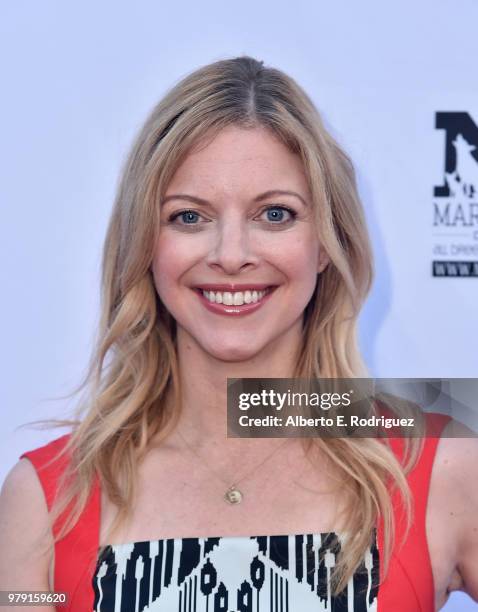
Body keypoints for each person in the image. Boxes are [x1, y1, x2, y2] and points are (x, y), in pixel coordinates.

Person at [0, 56, 477, 612]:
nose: (231, 256)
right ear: (145, 246)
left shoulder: (440, 464)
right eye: (189, 217)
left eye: (274, 215)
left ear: (326, 244)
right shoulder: (47, 498)